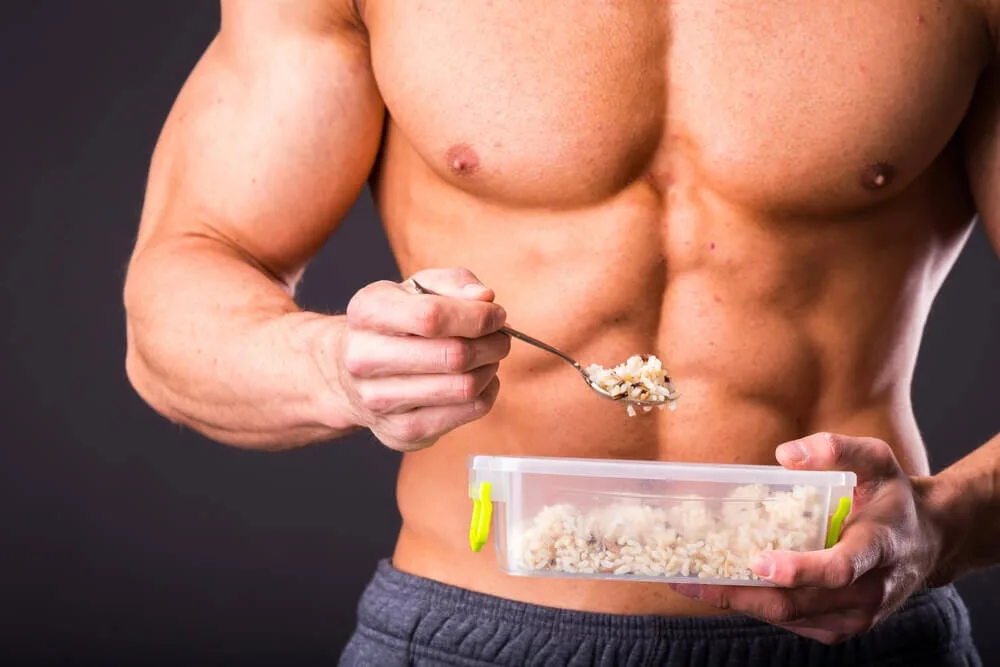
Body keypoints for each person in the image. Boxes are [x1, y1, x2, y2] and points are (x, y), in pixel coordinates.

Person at [123, 0, 1000, 665]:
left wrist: (944, 525)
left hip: (864, 633)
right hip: (471, 633)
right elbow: (177, 298)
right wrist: (331, 365)